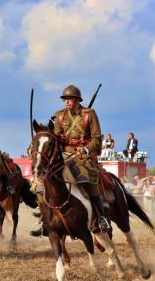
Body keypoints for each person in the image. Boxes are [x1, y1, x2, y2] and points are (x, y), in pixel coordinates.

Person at [31, 85, 110, 237]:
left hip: (84, 156)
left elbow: (97, 139)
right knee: (46, 177)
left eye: (70, 99)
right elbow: (56, 137)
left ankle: (101, 218)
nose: (67, 101)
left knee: (89, 179)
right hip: (65, 153)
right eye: (65, 99)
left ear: (77, 100)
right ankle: (45, 219)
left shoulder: (89, 114)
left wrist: (86, 149)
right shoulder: (60, 116)